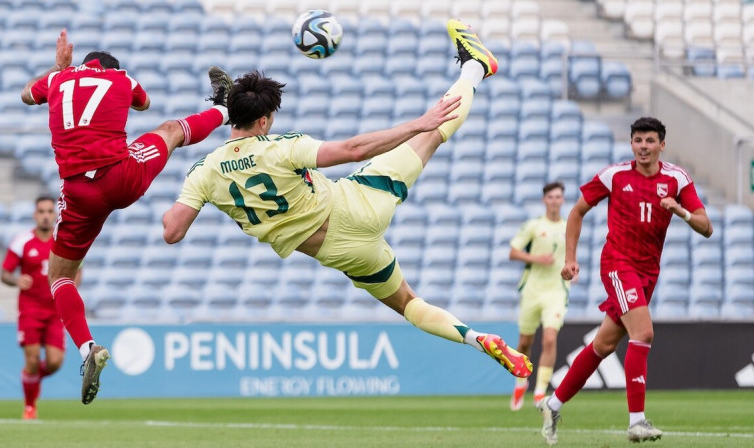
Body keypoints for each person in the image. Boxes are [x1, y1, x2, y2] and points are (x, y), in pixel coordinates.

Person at [162, 20, 533, 380]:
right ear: (263, 121)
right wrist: (415, 124)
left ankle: (475, 338)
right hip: (357, 203)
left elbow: (172, 232)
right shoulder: (282, 147)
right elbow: (353, 150)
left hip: (342, 253)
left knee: (408, 304)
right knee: (434, 132)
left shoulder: (205, 171)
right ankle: (476, 67)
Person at [21, 29, 234, 404]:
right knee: (169, 131)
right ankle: (224, 107)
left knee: (59, 276)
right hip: (121, 177)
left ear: (84, 63)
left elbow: (25, 95)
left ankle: (87, 348)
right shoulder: (122, 78)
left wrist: (58, 67)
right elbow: (144, 105)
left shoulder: (54, 80)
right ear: (111, 68)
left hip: (78, 194)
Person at [539, 117, 713, 445]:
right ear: (631, 143)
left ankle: (552, 404)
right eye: (637, 140)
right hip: (618, 264)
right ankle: (637, 422)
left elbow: (707, 227)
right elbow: (576, 212)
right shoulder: (614, 175)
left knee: (604, 344)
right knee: (643, 332)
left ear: (662, 144)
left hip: (649, 271)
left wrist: (681, 211)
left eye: (649, 141)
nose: (643, 147)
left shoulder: (676, 180)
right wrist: (570, 259)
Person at [0, 196, 82, 419]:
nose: (46, 215)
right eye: (41, 211)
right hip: (30, 309)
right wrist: (16, 280)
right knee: (33, 359)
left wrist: (71, 289)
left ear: (55, 214)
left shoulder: (64, 240)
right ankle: (29, 407)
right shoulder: (22, 242)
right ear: (35, 215)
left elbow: (78, 269)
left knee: (55, 362)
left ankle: (30, 378)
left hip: (56, 312)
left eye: (49, 211)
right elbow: (4, 273)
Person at [507, 181, 568, 411]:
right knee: (525, 342)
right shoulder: (534, 225)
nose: (554, 201)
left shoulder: (568, 226)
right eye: (551, 197)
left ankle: (540, 392)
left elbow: (572, 253)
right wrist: (537, 259)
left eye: (558, 197)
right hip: (533, 289)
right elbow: (513, 252)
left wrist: (572, 267)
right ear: (545, 200)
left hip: (556, 290)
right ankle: (521, 382)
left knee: (550, 339)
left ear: (563, 200)